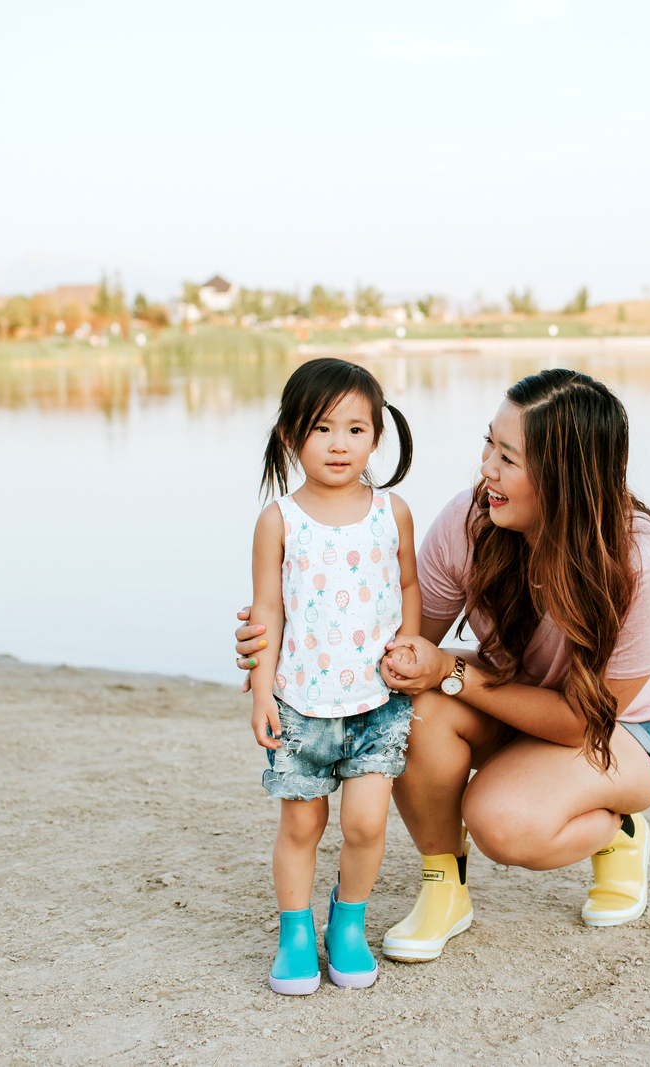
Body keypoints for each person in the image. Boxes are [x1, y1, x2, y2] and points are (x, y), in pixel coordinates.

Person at [235, 367, 650, 965]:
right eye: (489, 444)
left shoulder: (641, 562)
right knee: (408, 696)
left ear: (566, 476)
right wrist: (282, 646)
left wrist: (454, 673)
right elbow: (398, 647)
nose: (487, 469)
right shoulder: (472, 519)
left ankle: (620, 831)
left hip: (629, 726)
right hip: (516, 691)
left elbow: (582, 723)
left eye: (509, 457)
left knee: (502, 823)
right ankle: (444, 887)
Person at [242, 357, 420, 995]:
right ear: (292, 434)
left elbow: (406, 587)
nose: (339, 444)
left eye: (356, 429)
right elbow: (267, 610)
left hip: (376, 704)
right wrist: (261, 691)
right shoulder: (278, 520)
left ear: (377, 435)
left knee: (366, 823)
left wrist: (411, 649)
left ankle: (347, 925)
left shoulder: (391, 512)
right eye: (322, 428)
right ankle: (294, 933)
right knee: (300, 825)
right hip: (300, 704)